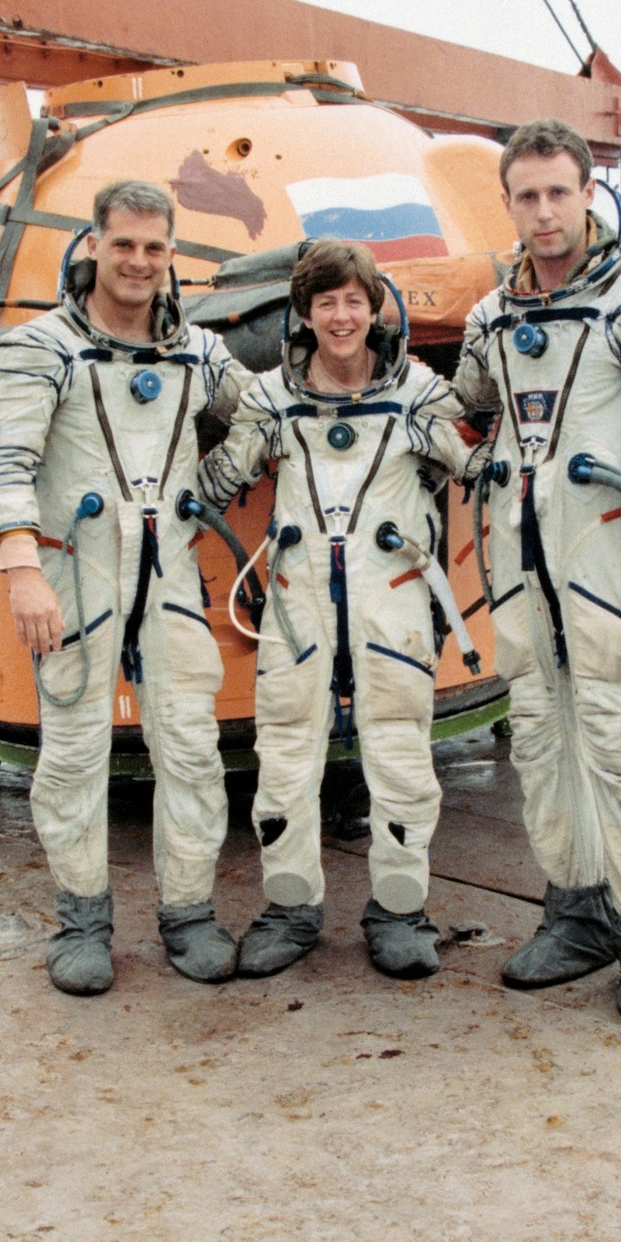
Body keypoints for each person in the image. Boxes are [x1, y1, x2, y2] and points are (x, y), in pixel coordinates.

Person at [454, 119, 621, 1026]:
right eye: (525, 196)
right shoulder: (494, 317)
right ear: (509, 203)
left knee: (613, 736)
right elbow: (470, 409)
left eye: (558, 192)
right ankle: (574, 912)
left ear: (587, 193)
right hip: (519, 563)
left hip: (604, 557)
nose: (543, 212)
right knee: (537, 732)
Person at [0, 180, 250, 996]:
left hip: (166, 568)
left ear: (171, 257)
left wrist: (210, 491)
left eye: (154, 247)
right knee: (70, 755)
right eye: (123, 243)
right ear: (93, 244)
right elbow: (6, 462)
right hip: (73, 571)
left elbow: (263, 417)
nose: (138, 261)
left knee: (192, 750)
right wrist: (22, 570)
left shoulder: (198, 354)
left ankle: (189, 913)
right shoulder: (39, 349)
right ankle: (82, 920)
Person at [197, 239, 484, 980]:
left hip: (391, 608)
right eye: (326, 302)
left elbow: (484, 468)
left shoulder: (418, 394)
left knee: (401, 756)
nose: (342, 315)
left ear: (374, 306)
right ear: (305, 313)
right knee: (286, 757)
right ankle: (290, 909)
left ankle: (400, 910)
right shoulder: (269, 400)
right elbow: (217, 483)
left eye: (354, 299)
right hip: (298, 611)